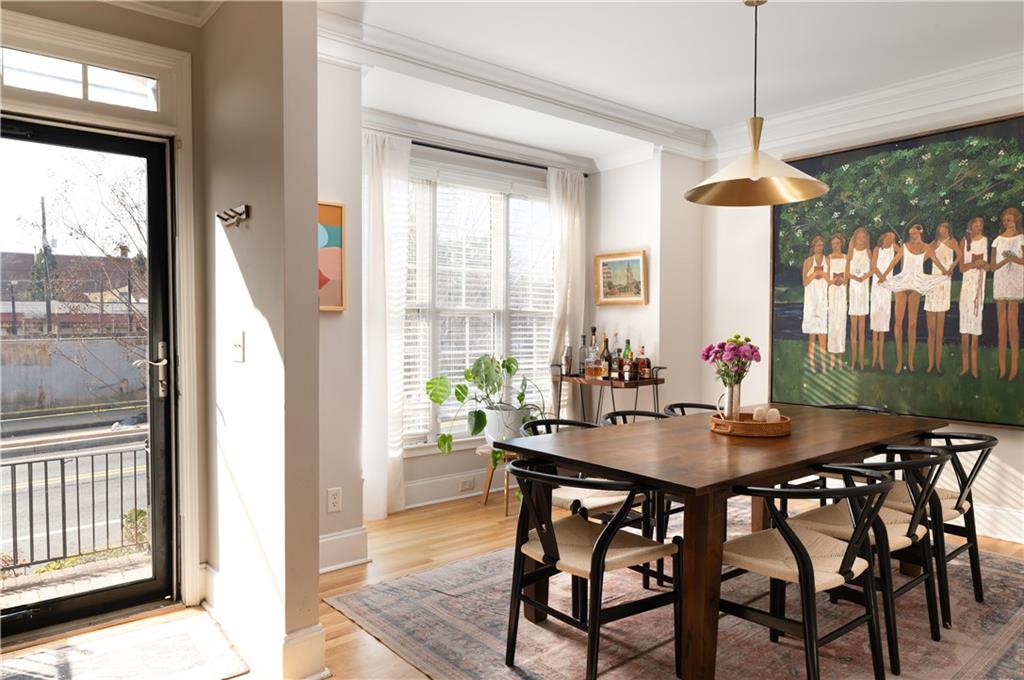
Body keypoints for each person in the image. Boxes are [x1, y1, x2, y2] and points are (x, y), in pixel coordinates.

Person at [880, 224, 940, 374]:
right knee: (899, 323)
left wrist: (946, 271)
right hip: (902, 284)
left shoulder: (926, 247)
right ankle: (900, 362)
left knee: (912, 323)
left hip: (915, 286)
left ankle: (911, 362)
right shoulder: (905, 247)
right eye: (911, 234)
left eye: (915, 233)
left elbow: (935, 260)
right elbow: (894, 261)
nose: (912, 236)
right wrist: (884, 275)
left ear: (920, 232)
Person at [924, 223, 960, 374]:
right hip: (933, 280)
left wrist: (951, 268)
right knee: (931, 330)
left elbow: (960, 256)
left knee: (940, 330)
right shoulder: (932, 244)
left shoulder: (952, 242)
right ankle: (930, 363)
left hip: (945, 281)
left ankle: (938, 364)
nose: (942, 230)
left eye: (945, 228)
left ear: (948, 230)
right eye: (940, 228)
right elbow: (923, 258)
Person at [992, 207, 1023, 380]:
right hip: (1001, 279)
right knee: (1001, 325)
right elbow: (993, 266)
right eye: (1004, 220)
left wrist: (1013, 258)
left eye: (1010, 220)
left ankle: (1014, 367)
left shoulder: (1021, 238)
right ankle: (1002, 367)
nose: (1007, 223)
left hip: (1015, 280)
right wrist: (1005, 259)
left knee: (1013, 324)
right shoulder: (997, 240)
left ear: (1016, 221)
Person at [959, 217, 988, 378]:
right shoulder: (965, 241)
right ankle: (965, 366)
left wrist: (983, 264)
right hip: (967, 284)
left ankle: (975, 367)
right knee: (965, 325)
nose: (978, 228)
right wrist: (974, 264)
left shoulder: (985, 240)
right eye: (975, 226)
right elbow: (962, 267)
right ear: (970, 227)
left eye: (980, 226)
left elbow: (987, 263)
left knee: (976, 324)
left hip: (979, 284)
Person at [870, 231, 899, 370]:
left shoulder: (893, 249)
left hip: (886, 285)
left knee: (883, 322)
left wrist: (885, 277)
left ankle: (881, 357)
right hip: (877, 285)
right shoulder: (877, 249)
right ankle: (874, 357)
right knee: (875, 322)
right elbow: (873, 266)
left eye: (892, 238)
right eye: (887, 236)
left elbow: (903, 253)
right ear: (883, 237)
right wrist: (881, 277)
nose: (889, 239)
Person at [801, 235, 829, 372]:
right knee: (812, 334)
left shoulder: (827, 260)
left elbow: (830, 281)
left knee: (823, 333)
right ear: (813, 247)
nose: (820, 248)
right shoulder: (807, 261)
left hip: (822, 299)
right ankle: (812, 364)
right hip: (811, 300)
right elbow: (805, 282)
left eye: (822, 245)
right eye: (818, 245)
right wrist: (814, 274)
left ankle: (823, 364)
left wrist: (823, 275)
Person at [846, 227, 872, 370]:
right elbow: (846, 273)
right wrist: (855, 277)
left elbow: (872, 269)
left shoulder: (868, 252)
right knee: (853, 329)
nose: (861, 240)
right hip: (854, 291)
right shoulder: (851, 253)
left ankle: (861, 361)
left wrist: (865, 277)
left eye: (864, 237)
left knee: (862, 328)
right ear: (855, 238)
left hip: (863, 291)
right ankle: (853, 359)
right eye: (859, 237)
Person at [826, 233, 849, 370]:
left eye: (838, 243)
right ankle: (831, 360)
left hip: (841, 292)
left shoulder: (846, 258)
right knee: (832, 322)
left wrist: (843, 281)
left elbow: (847, 277)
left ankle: (840, 359)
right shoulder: (828, 258)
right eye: (834, 243)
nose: (836, 245)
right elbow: (827, 278)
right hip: (832, 291)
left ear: (841, 244)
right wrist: (833, 281)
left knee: (841, 322)